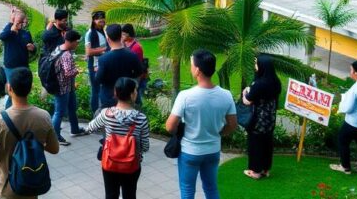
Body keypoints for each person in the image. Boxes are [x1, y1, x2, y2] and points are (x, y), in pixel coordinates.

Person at [166, 49, 238, 199]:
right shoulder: (226, 95)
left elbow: (169, 126)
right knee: (211, 188)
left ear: (198, 70)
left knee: (187, 190)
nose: (190, 67)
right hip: (213, 150)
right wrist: (218, 133)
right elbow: (232, 125)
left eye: (192, 64)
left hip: (190, 151)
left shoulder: (185, 96)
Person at [0, 67, 60, 199]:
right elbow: (54, 148)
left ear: (9, 88)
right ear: (30, 88)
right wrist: (35, 144)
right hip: (30, 185)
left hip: (5, 187)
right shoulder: (44, 116)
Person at [85, 78, 150, 199]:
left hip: (110, 163)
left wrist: (105, 131)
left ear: (115, 93)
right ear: (132, 95)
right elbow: (145, 147)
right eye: (135, 90)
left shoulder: (106, 114)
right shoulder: (141, 118)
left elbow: (90, 128)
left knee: (111, 195)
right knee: (130, 195)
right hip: (132, 165)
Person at [241, 54, 282, 180]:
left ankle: (256, 171)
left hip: (258, 119)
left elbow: (247, 101)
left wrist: (245, 93)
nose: (255, 66)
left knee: (256, 144)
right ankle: (265, 169)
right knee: (267, 143)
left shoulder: (259, 84)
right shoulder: (276, 81)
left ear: (262, 66)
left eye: (256, 63)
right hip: (270, 119)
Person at [96, 24, 144, 109]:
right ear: (121, 36)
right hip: (127, 96)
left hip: (108, 97)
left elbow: (98, 79)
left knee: (109, 121)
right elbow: (139, 72)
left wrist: (98, 70)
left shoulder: (104, 59)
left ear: (108, 39)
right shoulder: (132, 55)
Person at [51, 29, 85, 145]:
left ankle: (75, 129)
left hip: (67, 87)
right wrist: (77, 70)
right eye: (77, 41)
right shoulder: (66, 55)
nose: (77, 44)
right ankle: (55, 136)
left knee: (72, 108)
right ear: (71, 41)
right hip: (62, 88)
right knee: (59, 112)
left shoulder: (58, 48)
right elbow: (68, 72)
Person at [0, 8, 36, 109]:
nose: (21, 24)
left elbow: (33, 48)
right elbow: (2, 36)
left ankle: (19, 112)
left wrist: (32, 48)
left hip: (24, 66)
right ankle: (8, 113)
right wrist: (12, 27)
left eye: (22, 22)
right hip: (11, 66)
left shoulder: (26, 33)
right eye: (18, 22)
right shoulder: (9, 31)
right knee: (13, 91)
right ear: (13, 20)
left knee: (23, 91)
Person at [84, 11, 109, 113]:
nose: (102, 20)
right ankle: (95, 115)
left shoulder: (103, 32)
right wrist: (105, 50)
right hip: (94, 66)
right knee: (95, 91)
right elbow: (88, 51)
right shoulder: (90, 33)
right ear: (94, 20)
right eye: (99, 19)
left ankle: (102, 113)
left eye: (103, 18)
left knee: (103, 90)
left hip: (103, 65)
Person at [121, 24, 148, 106]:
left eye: (123, 34)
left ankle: (139, 111)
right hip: (126, 74)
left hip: (134, 76)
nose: (122, 36)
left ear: (128, 35)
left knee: (135, 97)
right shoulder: (124, 44)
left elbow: (137, 65)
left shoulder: (136, 47)